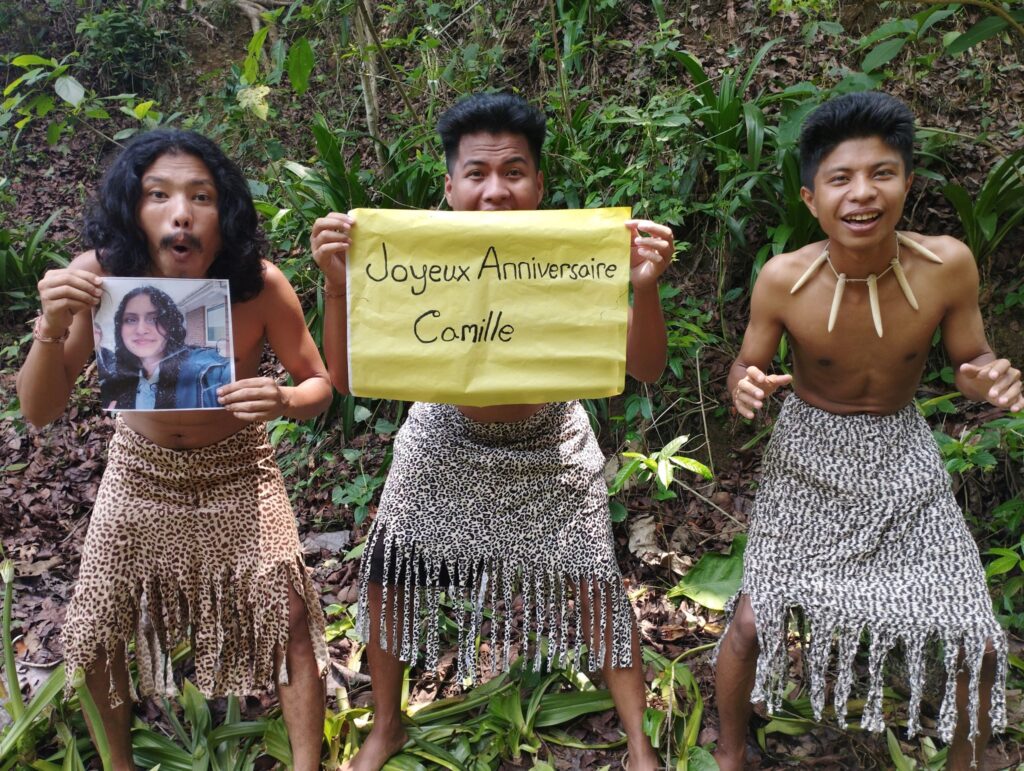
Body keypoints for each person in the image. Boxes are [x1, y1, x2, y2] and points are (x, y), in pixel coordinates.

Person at [311, 92, 673, 771]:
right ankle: (387, 725)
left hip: (551, 443)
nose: (495, 190)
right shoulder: (414, 257)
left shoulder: (574, 257)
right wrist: (336, 287)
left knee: (596, 579)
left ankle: (638, 741)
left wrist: (644, 286)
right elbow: (346, 376)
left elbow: (646, 366)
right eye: (476, 173)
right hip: (443, 437)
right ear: (450, 187)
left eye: (514, 171)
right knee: (388, 571)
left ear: (539, 184)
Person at [714, 91, 1021, 771]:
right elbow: (746, 364)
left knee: (980, 641)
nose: (862, 193)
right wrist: (744, 384)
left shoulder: (947, 265)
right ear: (811, 198)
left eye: (882, 173)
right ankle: (729, 753)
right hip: (806, 455)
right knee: (753, 622)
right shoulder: (783, 280)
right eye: (841, 178)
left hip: (902, 453)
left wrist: (989, 377)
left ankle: (967, 762)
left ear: (907, 183)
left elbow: (970, 359)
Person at [16, 129, 333, 771]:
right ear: (133, 210)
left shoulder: (258, 285)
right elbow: (39, 411)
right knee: (97, 620)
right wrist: (51, 326)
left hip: (240, 468)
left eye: (201, 196)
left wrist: (283, 398)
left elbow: (319, 385)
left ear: (225, 212)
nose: (181, 212)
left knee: (291, 613)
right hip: (140, 469)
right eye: (158, 194)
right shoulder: (97, 279)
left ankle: (307, 764)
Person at [100, 285, 231, 410]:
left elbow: (228, 373)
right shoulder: (117, 378)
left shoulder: (206, 372)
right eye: (131, 320)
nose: (141, 330)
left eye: (154, 319)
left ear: (170, 325)